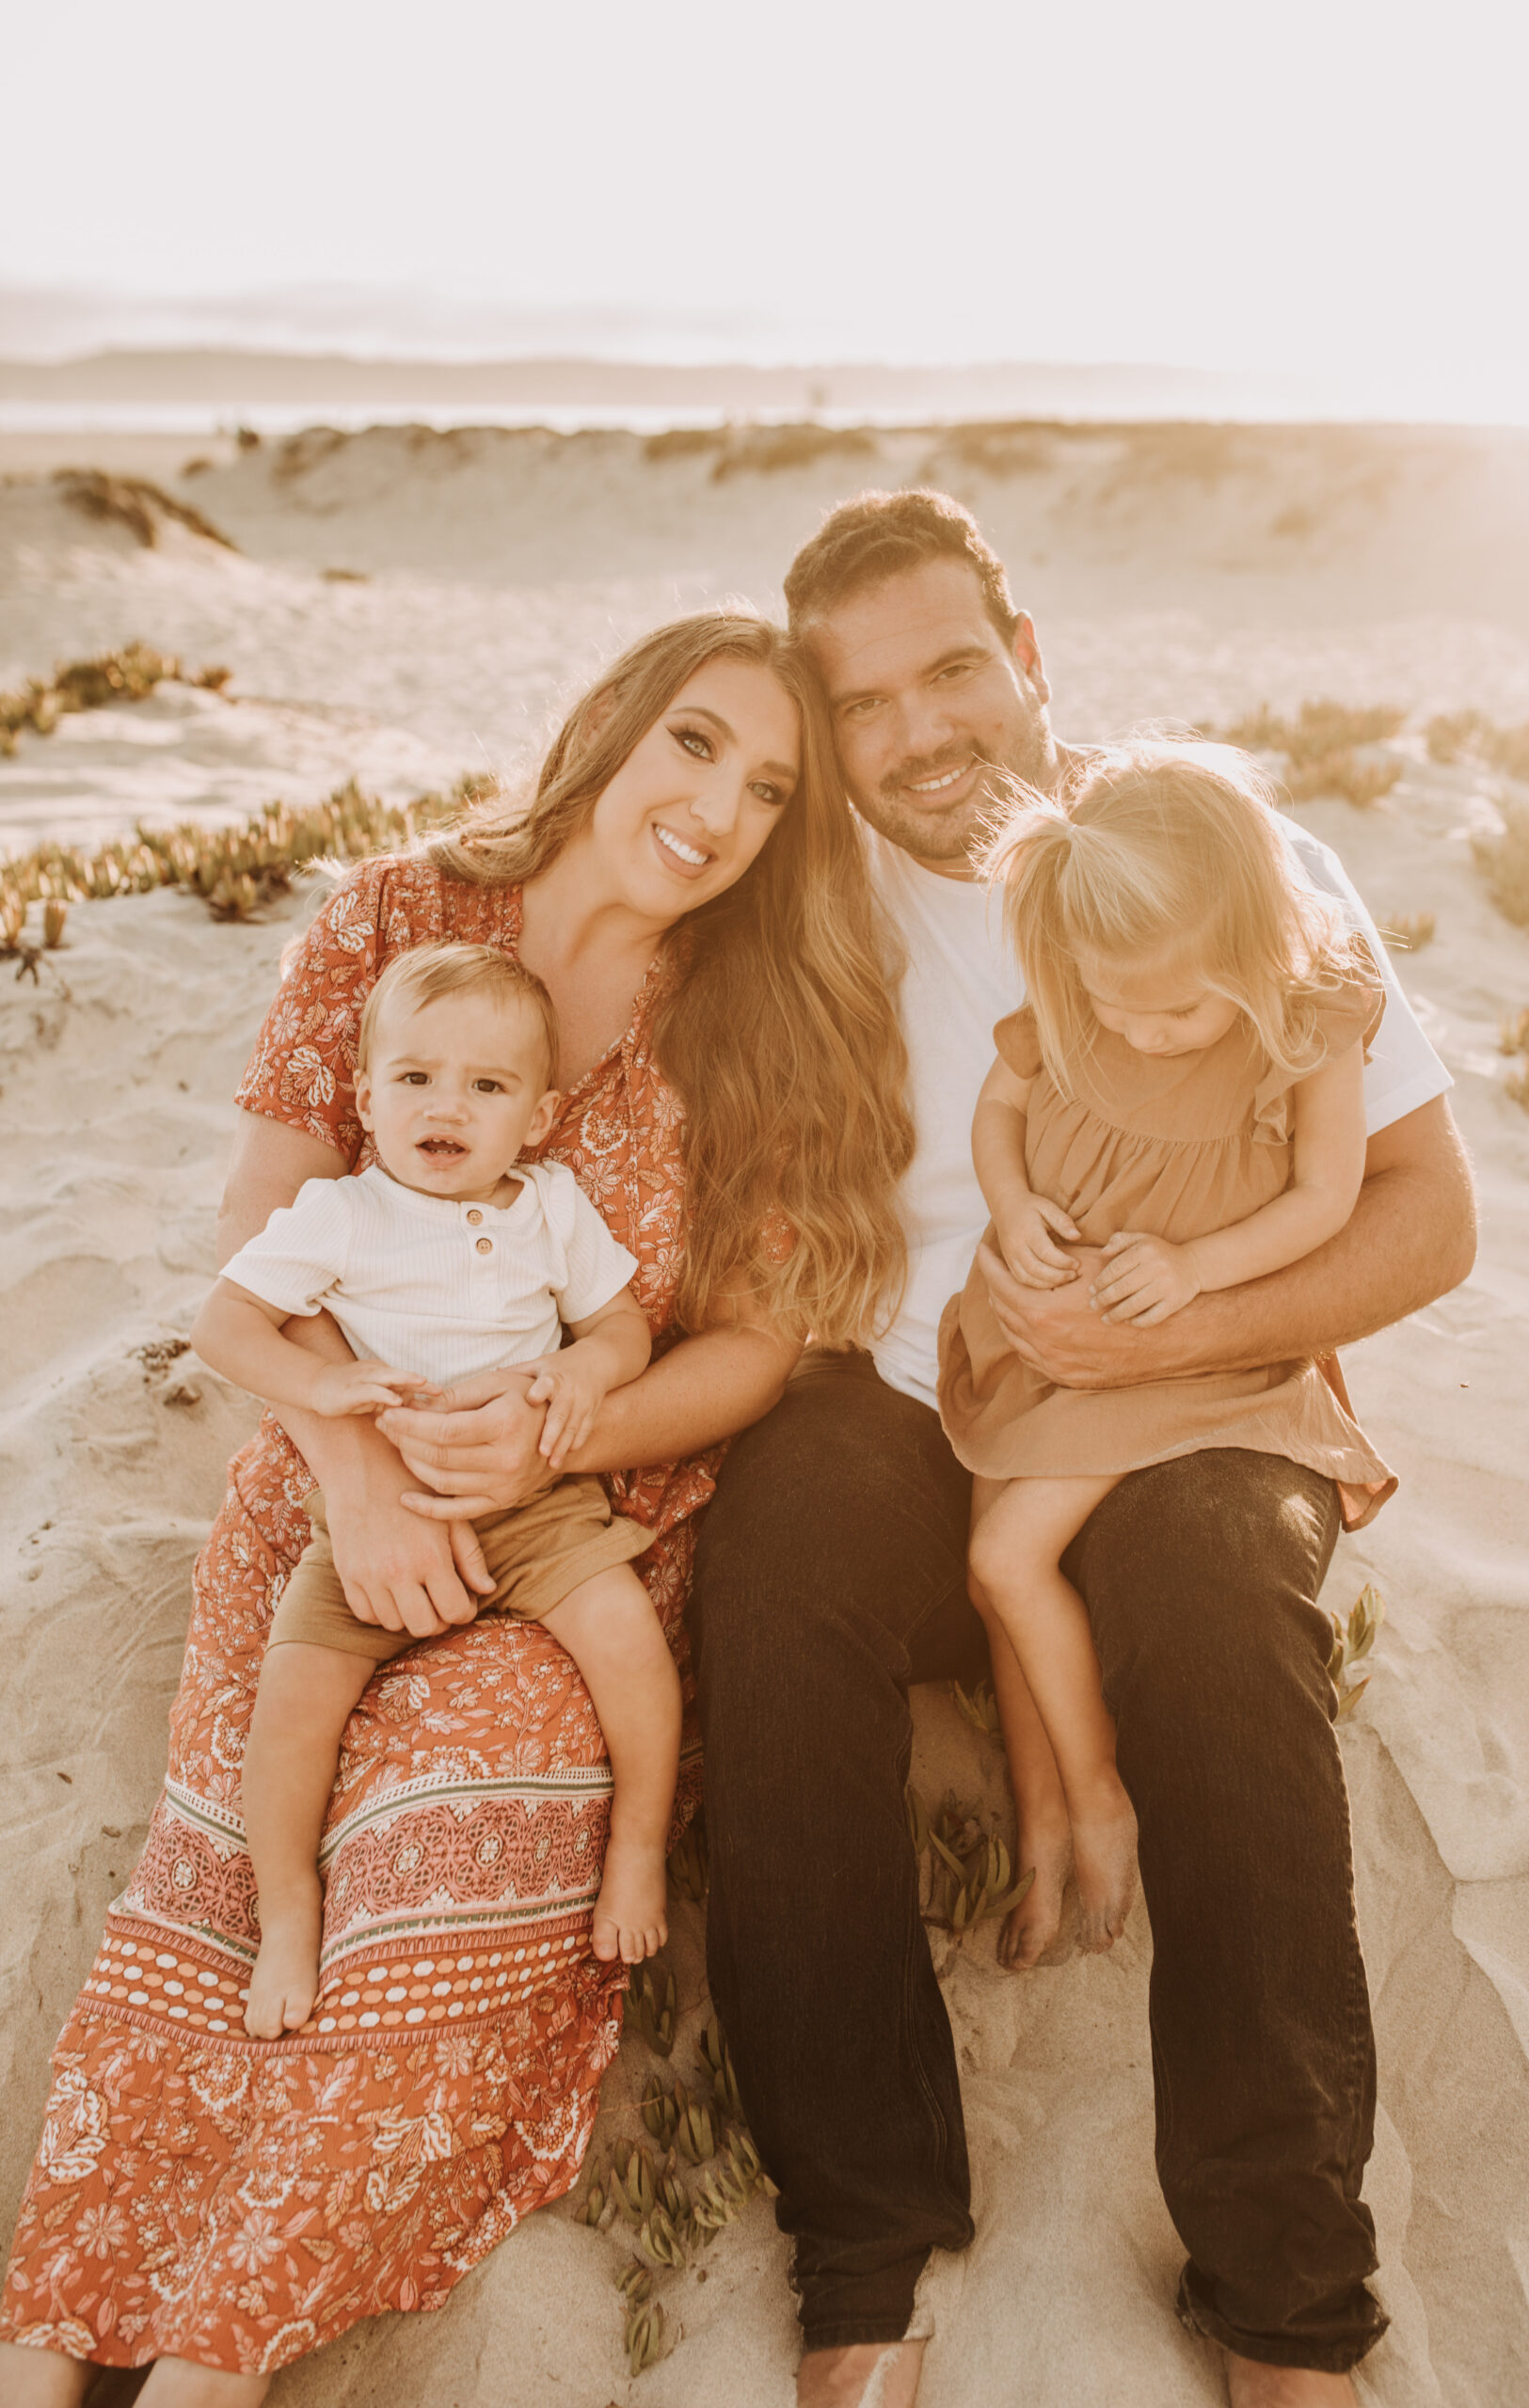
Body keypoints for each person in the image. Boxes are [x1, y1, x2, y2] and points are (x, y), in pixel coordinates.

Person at [0, 611, 913, 2404]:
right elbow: (261, 1248)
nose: (718, 805)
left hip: (591, 1530)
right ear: (618, 727)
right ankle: (51, 2331)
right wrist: (356, 1477)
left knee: (420, 1870)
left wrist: (567, 1442)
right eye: (697, 743)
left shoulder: (757, 1021)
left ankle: (217, 2356)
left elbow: (755, 1346)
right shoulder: (389, 920)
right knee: (218, 1881)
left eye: (770, 788)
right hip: (332, 1496)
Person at [688, 492, 1477, 2408]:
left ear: (1027, 657)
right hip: (918, 1389)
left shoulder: (1223, 864)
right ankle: (861, 2254)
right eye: (862, 702)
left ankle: (1288, 2297)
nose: (920, 731)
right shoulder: (801, 904)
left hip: (1193, 1386)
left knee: (1215, 1598)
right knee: (775, 1562)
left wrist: (1171, 1323)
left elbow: (1420, 1216)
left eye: (953, 667)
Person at [939, 748, 1396, 1973]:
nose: (1138, 1030)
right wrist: (1011, 1203)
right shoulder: (1076, 989)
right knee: (994, 1571)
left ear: (1256, 949)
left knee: (999, 1555)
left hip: (1177, 1353)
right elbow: (995, 1112)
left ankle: (1095, 1793)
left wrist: (1196, 1270)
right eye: (1114, 1004)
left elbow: (1323, 1198)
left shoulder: (1307, 1024)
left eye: (1174, 1013)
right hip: (1042, 1322)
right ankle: (1039, 1818)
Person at [193, 941, 680, 2041]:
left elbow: (620, 1325)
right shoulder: (341, 1214)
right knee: (293, 1704)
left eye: (486, 1085)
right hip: (385, 1506)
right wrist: (320, 1382)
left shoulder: (548, 1207)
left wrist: (580, 1371)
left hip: (539, 1502)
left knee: (627, 1641)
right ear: (365, 1097)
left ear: (539, 1118)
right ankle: (287, 1909)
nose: (444, 1106)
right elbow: (223, 1323)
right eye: (414, 1077)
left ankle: (638, 1848)